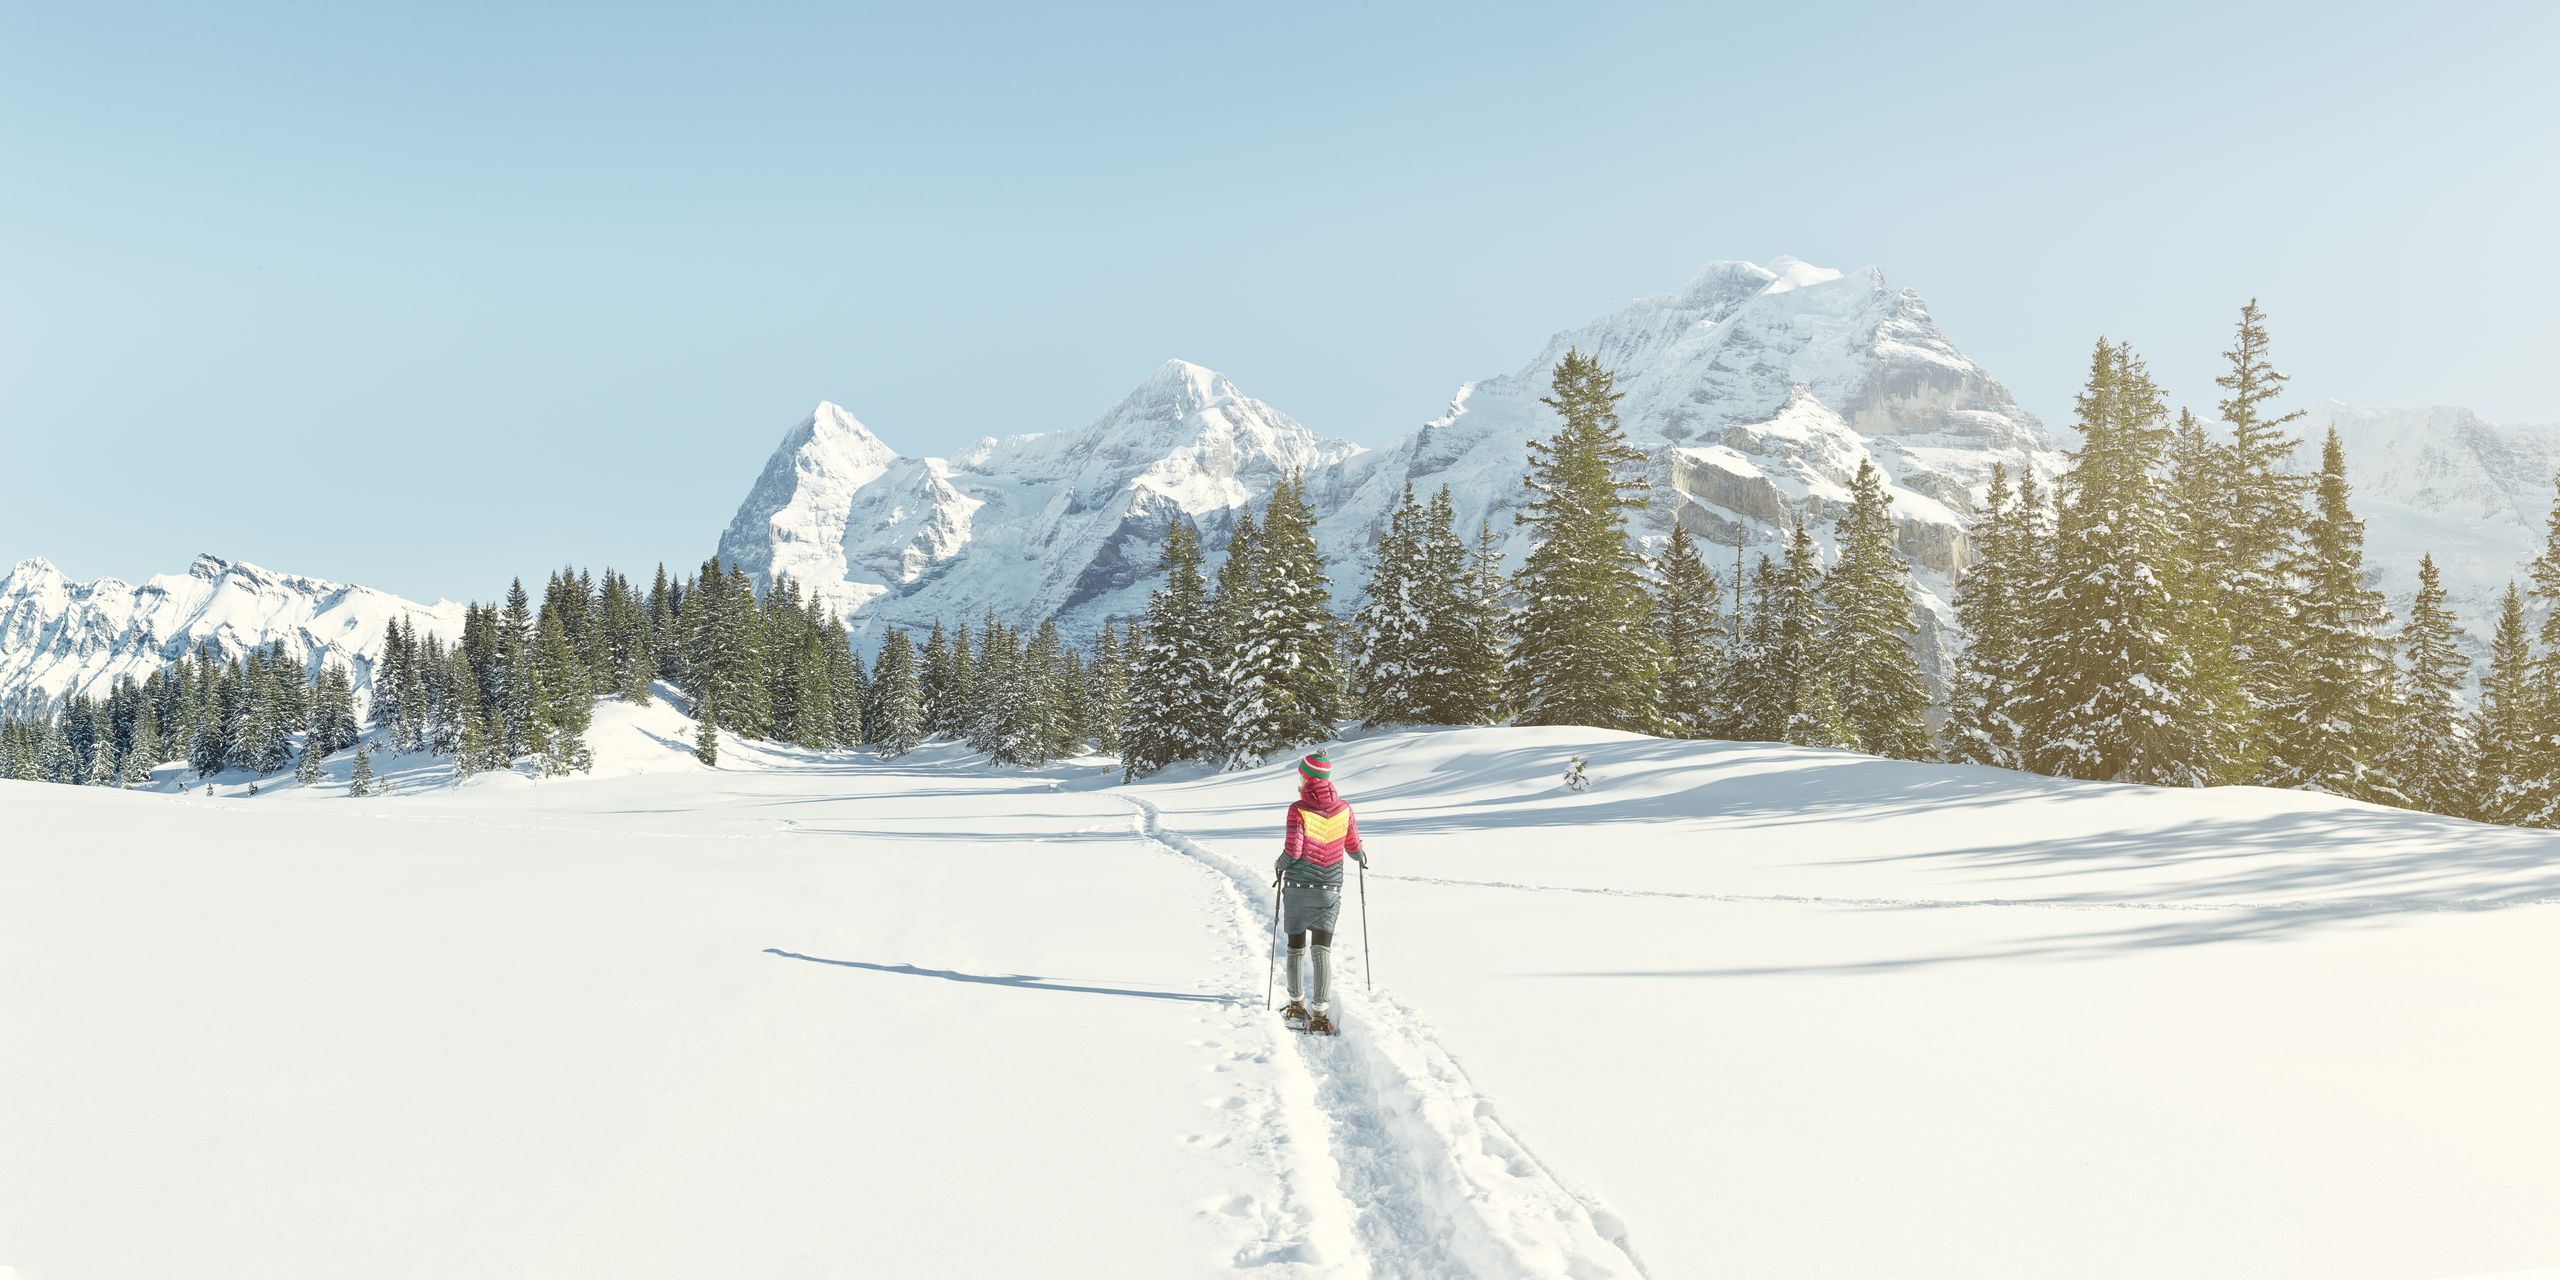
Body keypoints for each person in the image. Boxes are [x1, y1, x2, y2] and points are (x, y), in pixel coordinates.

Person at [1274, 751, 1365, 1034]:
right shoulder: (1344, 810)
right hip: (1330, 890)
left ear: (1307, 777)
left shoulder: (1298, 809)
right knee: (1322, 951)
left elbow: (1294, 851)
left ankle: (1296, 1007)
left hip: (1299, 887)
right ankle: (1321, 1015)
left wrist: (1279, 865)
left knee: (1295, 949)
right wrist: (1361, 854)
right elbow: (1352, 848)